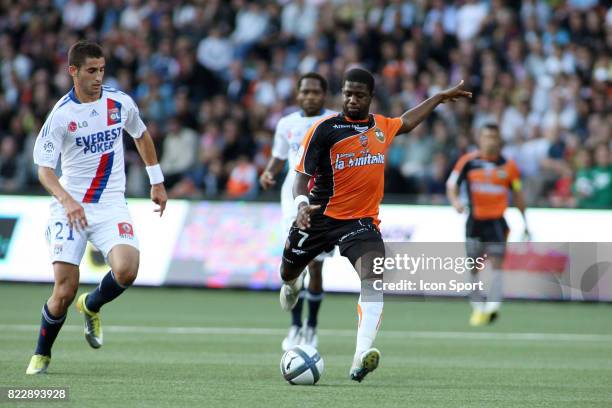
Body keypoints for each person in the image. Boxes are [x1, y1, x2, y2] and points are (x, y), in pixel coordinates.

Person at [279, 68, 471, 382]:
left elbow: (406, 121)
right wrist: (301, 205)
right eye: (347, 93)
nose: (352, 99)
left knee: (373, 277)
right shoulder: (324, 129)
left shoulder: (381, 126)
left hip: (361, 221)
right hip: (318, 217)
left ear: (370, 97)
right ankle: (291, 284)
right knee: (287, 273)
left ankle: (360, 356)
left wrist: (437, 98)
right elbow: (300, 177)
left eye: (359, 95)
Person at [27, 40, 168, 375]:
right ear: (73, 71)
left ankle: (91, 306)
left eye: (102, 70)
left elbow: (141, 134)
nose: (98, 77)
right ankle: (42, 354)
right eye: (91, 70)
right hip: (69, 206)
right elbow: (45, 170)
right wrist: (66, 200)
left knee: (127, 270)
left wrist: (156, 180)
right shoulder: (61, 115)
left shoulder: (119, 103)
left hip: (110, 205)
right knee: (63, 289)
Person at [260, 72, 335, 351]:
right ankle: (294, 326)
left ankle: (311, 328)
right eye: (305, 92)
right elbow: (279, 157)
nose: (310, 96)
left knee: (316, 266)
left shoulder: (334, 121)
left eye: (315, 92)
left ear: (324, 95)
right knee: (293, 264)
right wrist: (268, 173)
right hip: (291, 200)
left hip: (323, 200)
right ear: (298, 94)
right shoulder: (286, 123)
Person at [446, 123, 529, 327]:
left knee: (497, 264)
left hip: (497, 224)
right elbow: (451, 184)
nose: (490, 140)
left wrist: (525, 221)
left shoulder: (509, 167)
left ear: (499, 139)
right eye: (486, 136)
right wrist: (455, 201)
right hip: (475, 222)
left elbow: (517, 194)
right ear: (480, 139)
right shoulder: (468, 162)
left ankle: (493, 307)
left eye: (493, 136)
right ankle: (477, 308)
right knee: (473, 267)